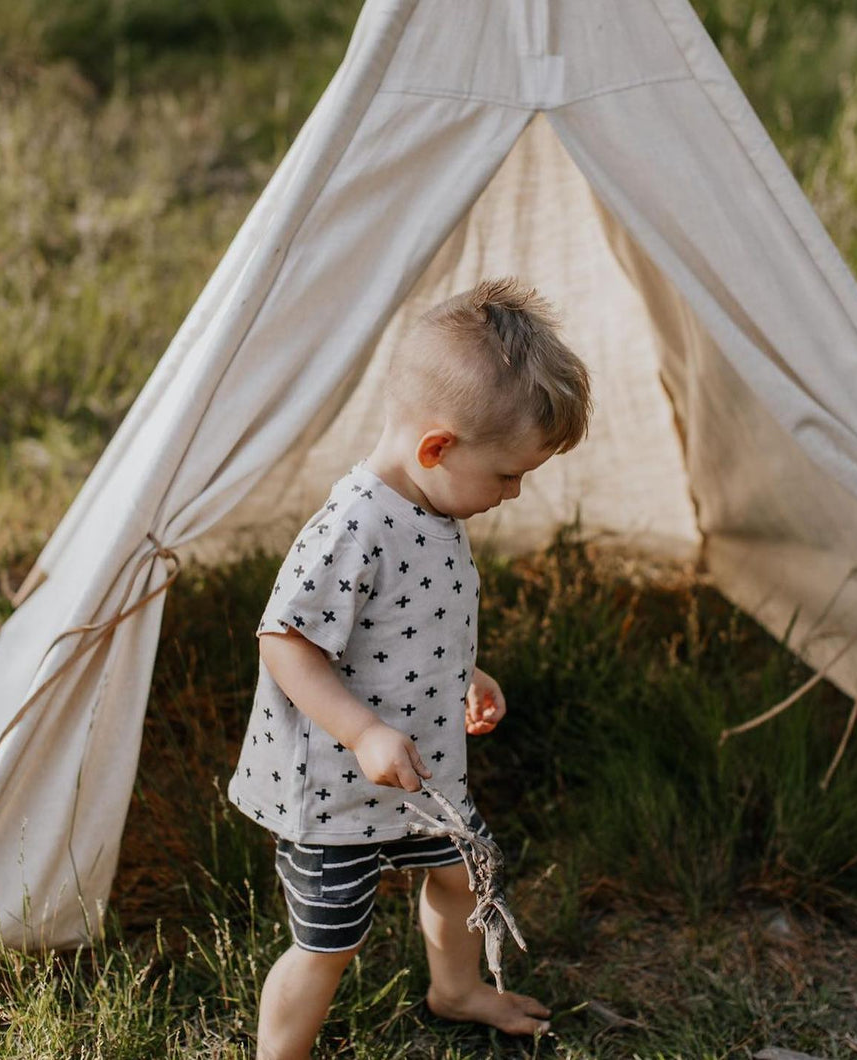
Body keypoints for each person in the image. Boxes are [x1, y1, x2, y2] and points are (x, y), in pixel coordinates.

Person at [228, 277, 593, 1060]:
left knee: (462, 876)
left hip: (422, 773)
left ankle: (455, 989)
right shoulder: (353, 526)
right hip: (335, 788)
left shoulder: (433, 506)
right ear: (437, 447)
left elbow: (407, 624)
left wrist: (467, 675)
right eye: (506, 476)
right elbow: (286, 642)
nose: (514, 493)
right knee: (328, 943)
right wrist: (362, 733)